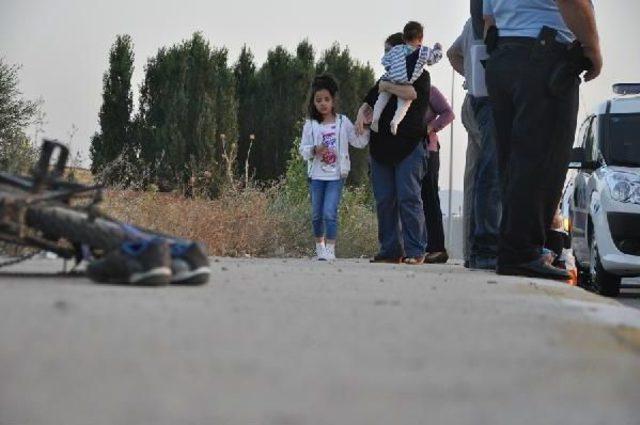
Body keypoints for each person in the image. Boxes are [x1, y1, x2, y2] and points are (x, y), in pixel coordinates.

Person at [483, 0, 602, 279]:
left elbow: (487, 17)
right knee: (542, 159)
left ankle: (515, 249)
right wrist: (592, 47)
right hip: (543, 56)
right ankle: (521, 253)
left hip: (503, 54)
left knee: (514, 161)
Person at [356, 33, 432, 265]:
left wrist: (387, 86)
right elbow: (368, 101)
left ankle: (415, 250)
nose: (388, 55)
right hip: (381, 149)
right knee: (384, 200)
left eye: (392, 50)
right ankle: (390, 250)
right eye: (386, 51)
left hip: (409, 148)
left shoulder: (421, 76)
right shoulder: (384, 77)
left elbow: (411, 94)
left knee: (409, 198)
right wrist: (361, 113)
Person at [448, 18, 502, 270]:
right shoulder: (500, 17)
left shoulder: (471, 21)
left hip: (473, 100)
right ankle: (484, 248)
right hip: (488, 104)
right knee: (490, 174)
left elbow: (452, 54)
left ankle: (472, 251)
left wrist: (470, 76)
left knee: (475, 175)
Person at [299, 75, 369, 261]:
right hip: (316, 175)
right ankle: (320, 248)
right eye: (318, 100)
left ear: (333, 101)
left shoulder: (342, 122)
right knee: (316, 215)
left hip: (336, 175)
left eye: (326, 100)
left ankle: (331, 249)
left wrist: (366, 127)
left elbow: (358, 142)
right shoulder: (310, 125)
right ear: (313, 102)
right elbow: (303, 150)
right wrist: (315, 149)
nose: (323, 104)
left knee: (329, 212)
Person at [371, 21, 443, 135]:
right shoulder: (423, 51)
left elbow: (385, 61)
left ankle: (375, 118)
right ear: (421, 38)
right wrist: (438, 48)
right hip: (405, 82)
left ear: (404, 38)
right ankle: (395, 122)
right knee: (404, 105)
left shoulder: (397, 49)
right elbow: (433, 59)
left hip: (391, 78)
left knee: (382, 98)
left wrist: (393, 68)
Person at [422, 85, 455, 264]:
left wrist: (431, 127)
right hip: (404, 152)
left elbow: (448, 113)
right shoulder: (396, 87)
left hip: (428, 149)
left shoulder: (429, 90)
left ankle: (436, 248)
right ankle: (413, 246)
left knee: (429, 197)